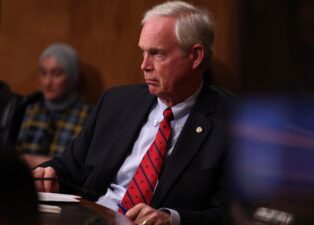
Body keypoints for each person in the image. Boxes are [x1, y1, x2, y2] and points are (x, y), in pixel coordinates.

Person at [33, 1, 235, 225]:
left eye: (157, 54)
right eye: (143, 52)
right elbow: (70, 167)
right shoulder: (117, 102)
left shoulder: (232, 122)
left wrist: (172, 219)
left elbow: (231, 214)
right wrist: (48, 174)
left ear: (195, 56)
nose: (144, 65)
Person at [16, 43, 91, 168]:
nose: (47, 82)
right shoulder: (30, 108)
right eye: (43, 73)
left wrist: (40, 162)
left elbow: (81, 164)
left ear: (72, 76)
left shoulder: (87, 116)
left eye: (56, 74)